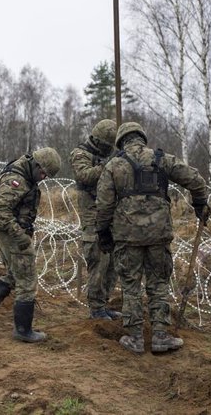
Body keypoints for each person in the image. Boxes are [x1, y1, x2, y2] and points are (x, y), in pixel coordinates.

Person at [95, 122, 210, 354]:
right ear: (141, 138)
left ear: (121, 141)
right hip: (159, 235)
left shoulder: (114, 165)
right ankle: (160, 337)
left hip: (127, 237)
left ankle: (135, 337)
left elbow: (104, 205)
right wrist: (199, 204)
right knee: (158, 284)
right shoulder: (162, 159)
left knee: (131, 285)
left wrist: (103, 233)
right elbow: (196, 181)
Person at [0, 147, 62, 343]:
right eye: (42, 173)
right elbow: (0, 210)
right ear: (36, 164)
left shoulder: (22, 173)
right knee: (27, 280)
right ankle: (23, 330)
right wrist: (20, 236)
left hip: (7, 230)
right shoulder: (17, 180)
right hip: (11, 233)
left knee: (15, 274)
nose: (43, 177)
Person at [69, 119, 121, 320]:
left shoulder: (107, 157)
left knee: (112, 265)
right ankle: (96, 308)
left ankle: (104, 303)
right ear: (98, 142)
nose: (109, 151)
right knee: (98, 264)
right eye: (107, 147)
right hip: (92, 218)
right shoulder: (80, 154)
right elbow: (84, 176)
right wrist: (109, 166)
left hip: (109, 216)